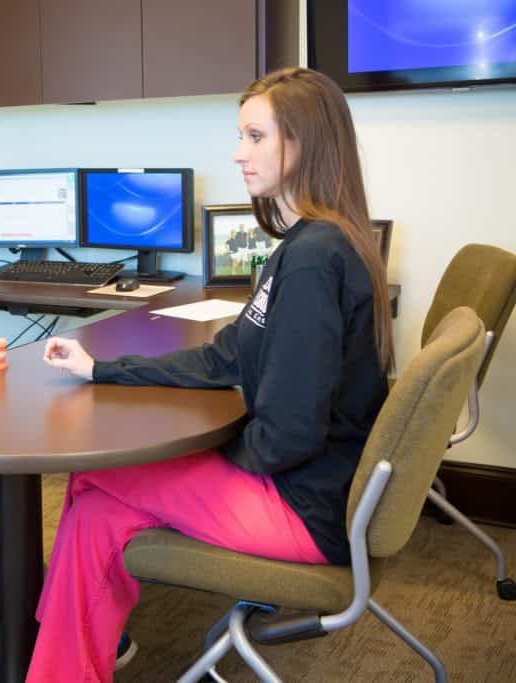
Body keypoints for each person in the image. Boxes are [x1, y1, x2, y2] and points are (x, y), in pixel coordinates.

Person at [29, 67, 394, 682]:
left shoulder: (312, 260)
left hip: (305, 508)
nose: (238, 153)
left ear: (303, 143)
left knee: (94, 473)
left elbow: (289, 434)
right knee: (96, 516)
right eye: (241, 136)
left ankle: (50, 647)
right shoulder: (314, 244)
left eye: (255, 136)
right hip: (320, 491)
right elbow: (225, 357)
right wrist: (104, 368)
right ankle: (64, 656)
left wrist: (211, 459)